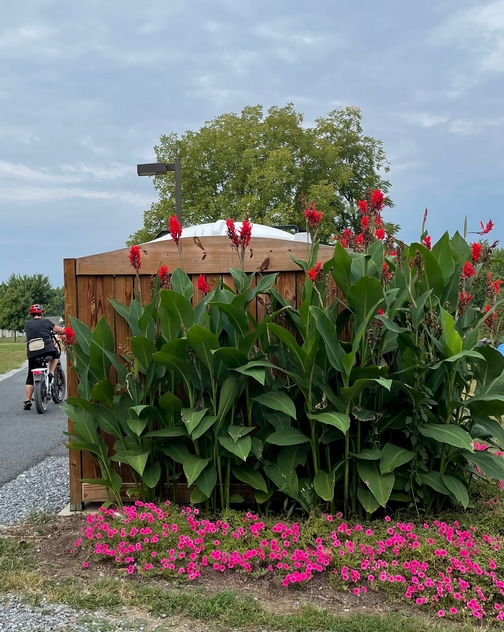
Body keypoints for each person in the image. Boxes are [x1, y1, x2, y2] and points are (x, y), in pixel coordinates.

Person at [23, 304, 66, 410]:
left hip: (32, 352)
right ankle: (51, 373)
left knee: (30, 375)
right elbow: (59, 330)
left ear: (32, 314)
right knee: (55, 355)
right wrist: (65, 331)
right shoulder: (46, 321)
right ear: (41, 313)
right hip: (47, 349)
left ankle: (27, 401)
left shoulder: (27, 324)